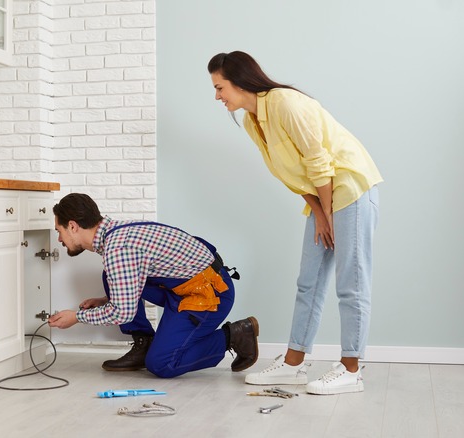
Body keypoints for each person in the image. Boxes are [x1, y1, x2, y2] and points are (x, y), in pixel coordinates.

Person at [208, 51, 382, 395]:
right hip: (325, 197)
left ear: (240, 81)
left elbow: (318, 162)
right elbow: (289, 175)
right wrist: (319, 212)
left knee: (351, 281)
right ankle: (293, 364)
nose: (217, 96)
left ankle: (352, 369)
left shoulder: (285, 103)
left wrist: (329, 213)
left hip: (350, 187)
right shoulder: (251, 121)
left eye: (219, 87)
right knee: (309, 282)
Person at [46, 192, 258, 378]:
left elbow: (122, 314)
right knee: (109, 275)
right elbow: (129, 278)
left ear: (72, 226)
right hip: (186, 285)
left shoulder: (118, 249)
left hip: (209, 294)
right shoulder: (115, 232)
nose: (59, 239)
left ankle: (235, 335)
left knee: (162, 364)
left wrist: (76, 317)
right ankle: (144, 346)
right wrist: (109, 299)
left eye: (59, 230)